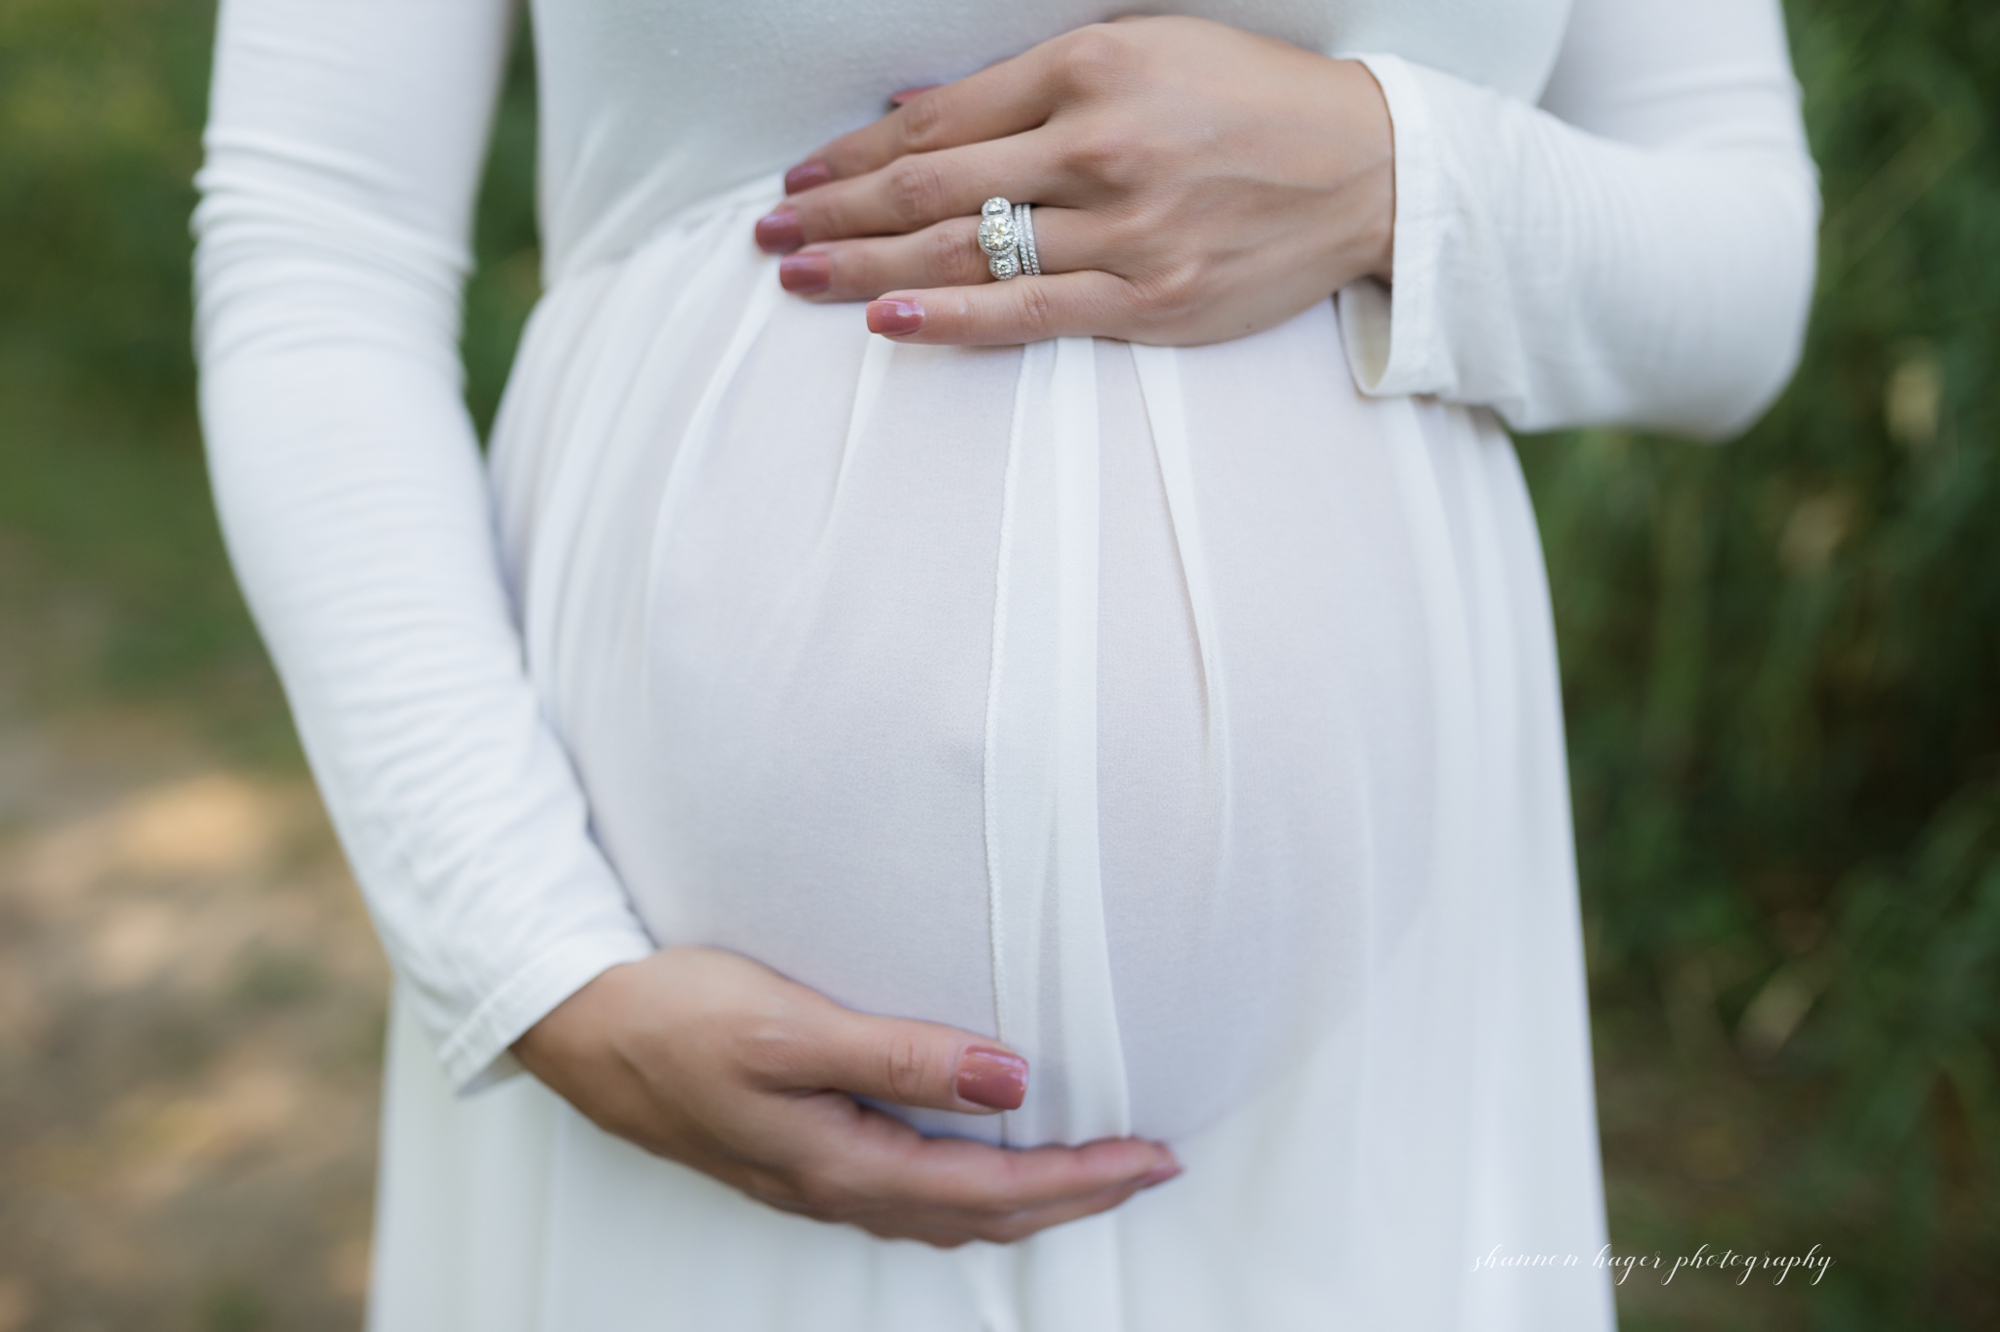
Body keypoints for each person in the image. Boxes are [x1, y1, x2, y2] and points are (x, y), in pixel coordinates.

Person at [192, 1, 1817, 1328]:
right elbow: (319, 245)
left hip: (1357, 1080)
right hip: (653, 999)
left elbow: (1743, 282)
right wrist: (522, 951)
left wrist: (1402, 171)